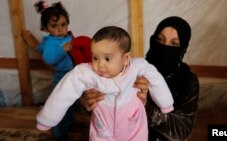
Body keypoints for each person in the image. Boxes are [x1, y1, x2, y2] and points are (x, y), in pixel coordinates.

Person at [36, 26, 174, 141]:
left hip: (133, 123)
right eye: (95, 57)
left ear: (126, 58)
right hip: (103, 127)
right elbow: (64, 91)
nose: (99, 65)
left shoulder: (137, 66)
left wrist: (166, 103)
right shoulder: (86, 73)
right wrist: (47, 120)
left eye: (107, 58)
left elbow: (155, 78)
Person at [81, 16, 200, 141]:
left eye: (174, 44)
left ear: (183, 49)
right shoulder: (132, 69)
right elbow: (108, 113)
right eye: (160, 39)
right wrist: (89, 101)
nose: (165, 47)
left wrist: (146, 106)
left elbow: (181, 130)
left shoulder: (188, 81)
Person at [29, 1, 91, 140]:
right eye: (54, 26)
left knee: (71, 106)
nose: (60, 29)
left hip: (75, 78)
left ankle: (68, 125)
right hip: (62, 80)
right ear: (45, 29)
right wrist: (63, 49)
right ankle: (59, 133)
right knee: (60, 108)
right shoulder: (51, 42)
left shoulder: (69, 37)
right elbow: (48, 59)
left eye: (63, 24)